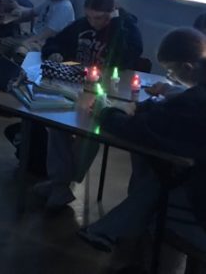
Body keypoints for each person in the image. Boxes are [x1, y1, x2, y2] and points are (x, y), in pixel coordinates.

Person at [79, 28, 206, 272]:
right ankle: (109, 232)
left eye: (171, 72)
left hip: (200, 209)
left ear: (188, 68)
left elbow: (142, 130)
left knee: (159, 189)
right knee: (159, 178)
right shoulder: (197, 95)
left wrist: (105, 112)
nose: (171, 77)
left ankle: (135, 252)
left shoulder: (196, 103)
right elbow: (168, 118)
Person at [34, 0, 143, 208]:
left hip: (109, 94)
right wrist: (54, 52)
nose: (93, 23)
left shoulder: (125, 28)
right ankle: (59, 184)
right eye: (90, 16)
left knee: (90, 131)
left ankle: (59, 184)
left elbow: (127, 56)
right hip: (76, 89)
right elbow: (56, 41)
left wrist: (117, 23)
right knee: (56, 124)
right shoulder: (82, 25)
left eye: (100, 18)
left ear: (112, 12)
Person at [0, 0, 75, 62]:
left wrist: (25, 42)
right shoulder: (51, 1)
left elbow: (46, 34)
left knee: (20, 50)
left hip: (44, 43)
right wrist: (18, 9)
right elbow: (32, 11)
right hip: (34, 36)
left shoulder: (64, 7)